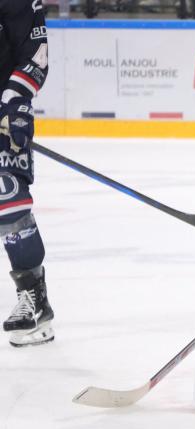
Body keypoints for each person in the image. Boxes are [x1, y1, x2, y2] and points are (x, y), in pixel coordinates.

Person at [0, 0, 52, 347]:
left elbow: (36, 52)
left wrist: (14, 97)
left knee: (8, 197)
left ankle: (33, 298)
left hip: (5, 112)